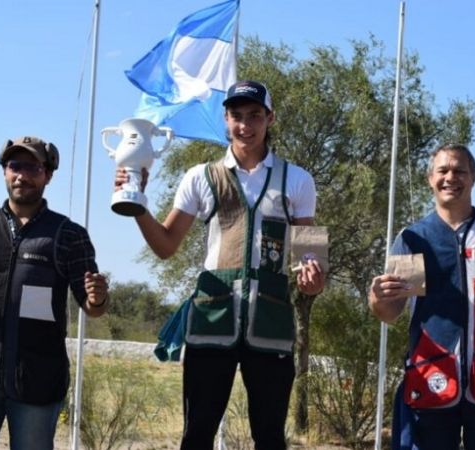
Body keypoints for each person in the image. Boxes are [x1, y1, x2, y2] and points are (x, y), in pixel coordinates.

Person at [115, 80, 325, 449]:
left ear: (270, 118)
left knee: (271, 438)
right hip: (212, 319)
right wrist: (137, 203)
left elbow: (311, 261)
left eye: (254, 115)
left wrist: (312, 278)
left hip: (270, 322)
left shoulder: (298, 179)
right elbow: (166, 245)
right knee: (197, 434)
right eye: (237, 116)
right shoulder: (200, 176)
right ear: (225, 119)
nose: (245, 125)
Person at [0, 136, 110, 450]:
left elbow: (92, 307)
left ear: (48, 175)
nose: (21, 175)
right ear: (4, 171)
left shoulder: (69, 234)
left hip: (37, 376)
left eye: (32, 168)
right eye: (15, 166)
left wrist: (99, 297)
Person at [368, 144, 475, 450]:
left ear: (474, 177)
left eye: (460, 170)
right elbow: (390, 313)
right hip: (431, 377)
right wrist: (377, 298)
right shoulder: (413, 238)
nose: (451, 177)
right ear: (430, 178)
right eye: (443, 170)